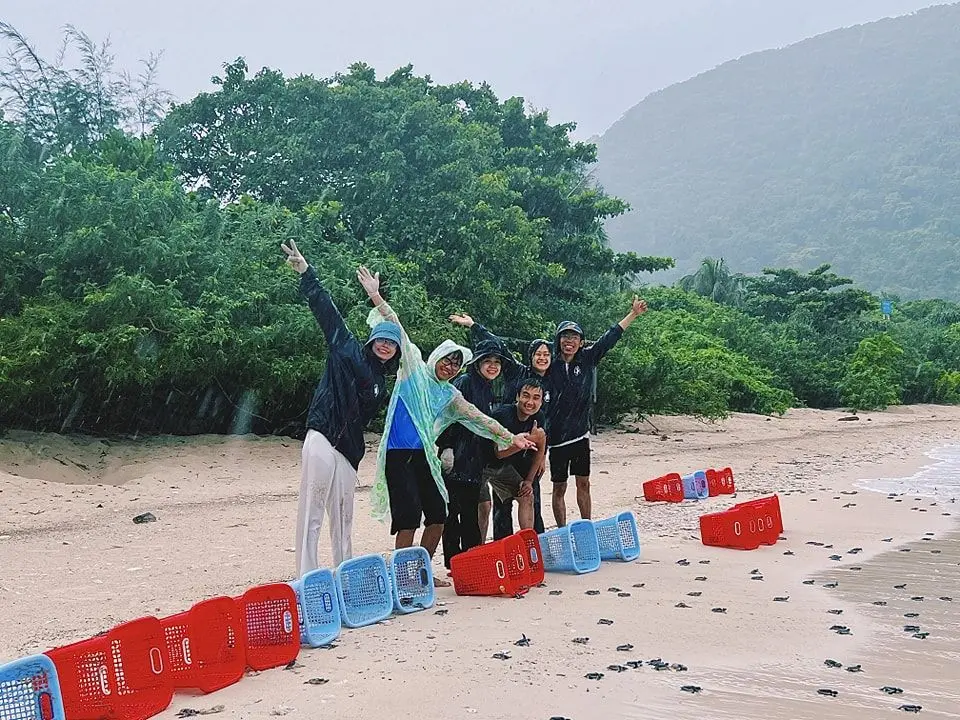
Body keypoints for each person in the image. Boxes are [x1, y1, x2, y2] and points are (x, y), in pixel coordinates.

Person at [359, 267, 535, 585]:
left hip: (425, 456)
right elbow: (396, 325)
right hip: (399, 454)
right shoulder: (412, 366)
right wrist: (375, 295)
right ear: (436, 357)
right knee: (409, 516)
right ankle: (402, 576)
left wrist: (512, 437)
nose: (450, 366)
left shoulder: (450, 395)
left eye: (456, 363)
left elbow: (480, 419)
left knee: (438, 515)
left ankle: (420, 572)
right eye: (447, 359)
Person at [282, 240, 402, 578]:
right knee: (313, 508)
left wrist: (381, 300)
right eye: (382, 339)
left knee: (344, 516)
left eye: (392, 343)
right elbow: (325, 309)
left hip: (349, 450)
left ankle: (345, 573)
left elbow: (404, 336)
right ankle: (308, 575)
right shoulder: (346, 346)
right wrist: (307, 273)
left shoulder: (383, 382)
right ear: (371, 339)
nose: (386, 345)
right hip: (322, 435)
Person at [548, 296, 648, 526]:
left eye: (574, 337)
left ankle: (586, 526)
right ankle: (562, 529)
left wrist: (633, 314)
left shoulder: (588, 358)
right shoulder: (550, 366)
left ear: (581, 342)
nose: (569, 341)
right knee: (559, 486)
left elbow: (610, 338)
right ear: (558, 341)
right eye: (565, 337)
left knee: (583, 483)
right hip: (556, 440)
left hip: (580, 436)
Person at [449, 313, 551, 537]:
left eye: (547, 354)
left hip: (521, 454)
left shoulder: (552, 381)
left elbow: (542, 439)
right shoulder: (515, 374)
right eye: (538, 353)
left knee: (529, 492)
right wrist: (475, 325)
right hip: (494, 450)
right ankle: (494, 546)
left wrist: (539, 459)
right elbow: (499, 349)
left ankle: (532, 544)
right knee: (493, 505)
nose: (542, 358)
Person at [439, 339, 513, 568]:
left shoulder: (488, 387)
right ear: (477, 363)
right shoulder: (464, 382)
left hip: (476, 460)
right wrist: (447, 447)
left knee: (470, 512)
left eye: (497, 362)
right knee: (452, 514)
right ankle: (454, 563)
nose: (493, 366)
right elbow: (446, 417)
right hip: (456, 457)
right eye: (488, 361)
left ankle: (470, 561)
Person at [481, 378, 548, 532]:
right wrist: (525, 442)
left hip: (506, 466)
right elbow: (498, 454)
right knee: (485, 508)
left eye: (536, 398)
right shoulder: (502, 415)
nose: (530, 402)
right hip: (484, 464)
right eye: (526, 395)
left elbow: (540, 448)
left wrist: (529, 481)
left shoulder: (539, 418)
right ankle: (483, 549)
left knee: (527, 495)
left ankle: (529, 544)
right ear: (517, 397)